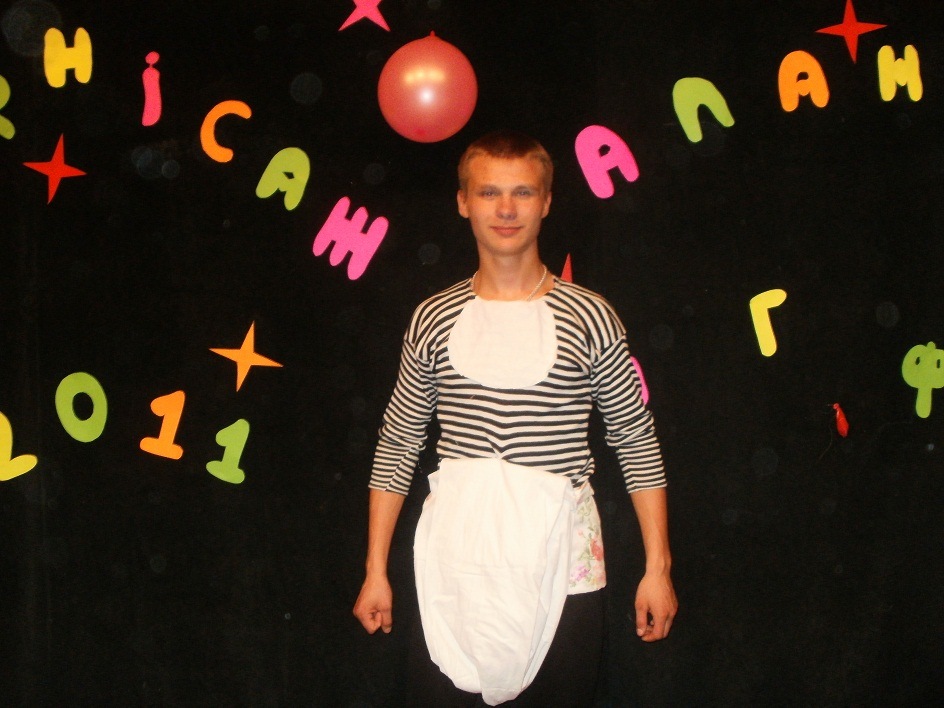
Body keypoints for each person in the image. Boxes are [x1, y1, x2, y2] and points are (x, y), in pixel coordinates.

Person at [353, 130, 677, 706]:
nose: (506, 209)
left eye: (523, 192)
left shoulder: (591, 316)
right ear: (463, 202)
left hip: (562, 560)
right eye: (489, 193)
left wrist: (659, 567)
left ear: (547, 202)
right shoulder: (432, 317)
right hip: (457, 558)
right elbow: (399, 441)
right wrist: (375, 569)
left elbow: (634, 437)